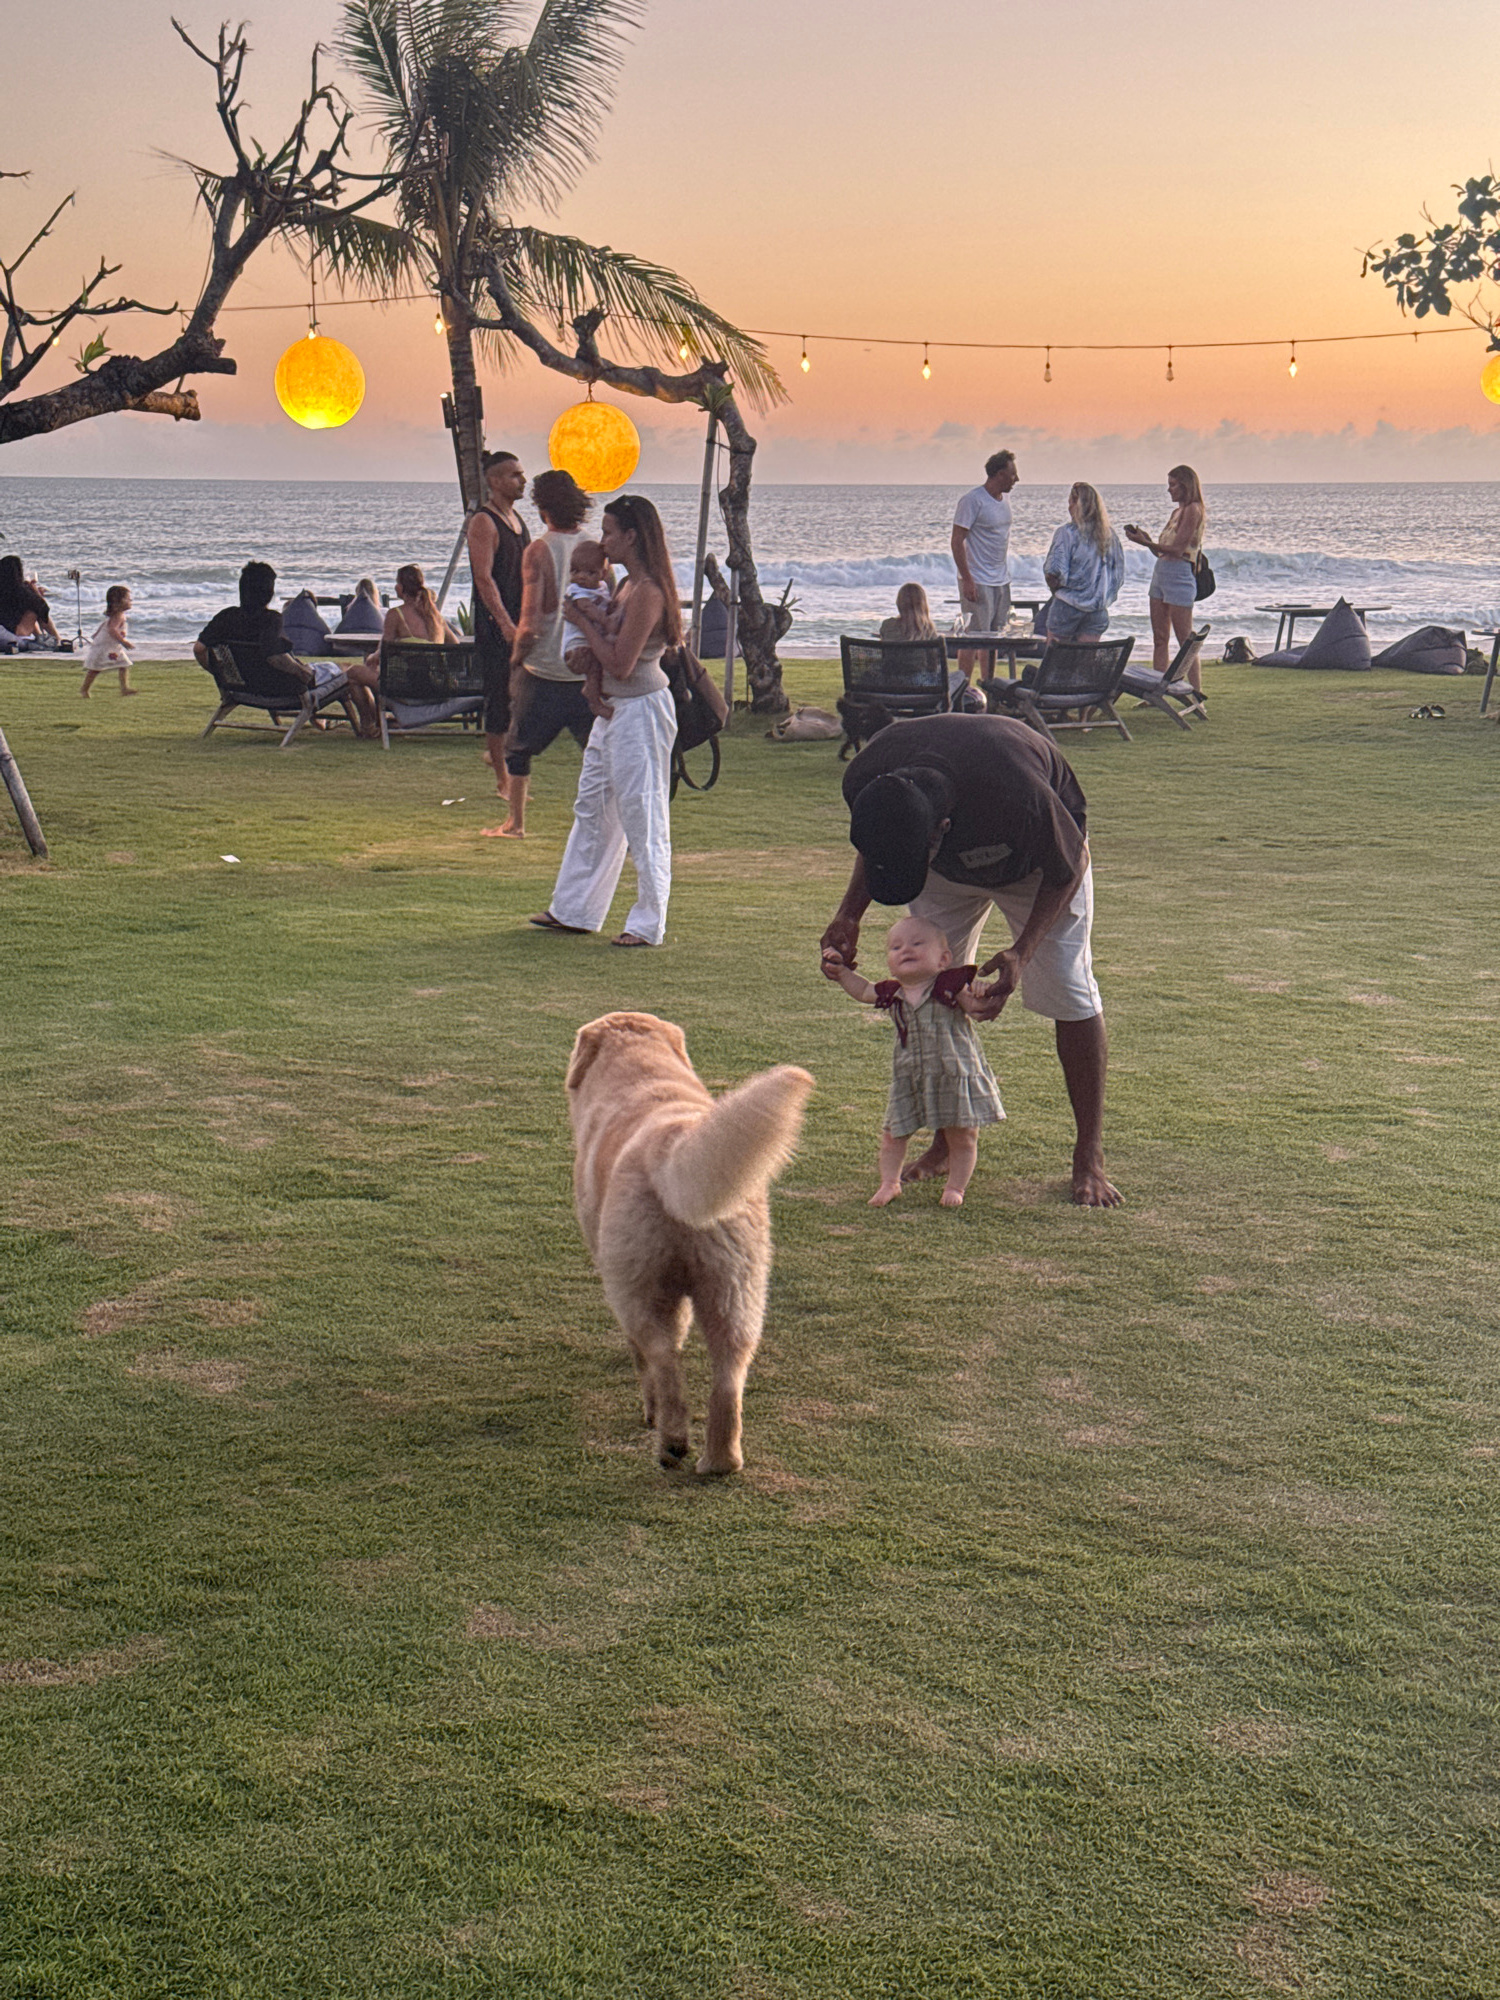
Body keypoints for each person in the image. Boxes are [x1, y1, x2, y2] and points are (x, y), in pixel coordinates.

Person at [819, 712, 1121, 1207]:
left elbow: (1069, 863)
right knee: (933, 993)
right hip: (942, 867)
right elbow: (878, 843)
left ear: (941, 830)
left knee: (1068, 989)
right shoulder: (867, 775)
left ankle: (1089, 1154)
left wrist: (1022, 951)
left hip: (1040, 862)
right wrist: (848, 914)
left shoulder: (1015, 790)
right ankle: (946, 1142)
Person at [529, 493, 681, 949]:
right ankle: (574, 909)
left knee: (642, 813)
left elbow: (620, 662)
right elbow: (604, 655)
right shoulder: (625, 585)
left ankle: (648, 923)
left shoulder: (647, 591)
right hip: (615, 709)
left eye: (610, 532)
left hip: (641, 710)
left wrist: (578, 619)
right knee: (593, 805)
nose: (603, 541)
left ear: (631, 536)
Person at [822, 914, 1003, 1209]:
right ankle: (889, 1183)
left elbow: (976, 1007)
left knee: (962, 1136)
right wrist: (841, 973)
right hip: (910, 1078)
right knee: (893, 1135)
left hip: (952, 1075)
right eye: (896, 947)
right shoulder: (892, 993)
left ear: (944, 959)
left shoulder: (949, 986)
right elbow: (863, 990)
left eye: (917, 944)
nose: (905, 949)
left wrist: (982, 992)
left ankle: (955, 1186)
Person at [492, 470, 600, 840]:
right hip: (584, 670)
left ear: (542, 509)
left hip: (544, 668)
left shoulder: (538, 550)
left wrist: (515, 659)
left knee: (518, 748)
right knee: (598, 750)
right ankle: (608, 825)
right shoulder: (595, 548)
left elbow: (531, 623)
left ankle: (515, 823)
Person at [194, 560, 355, 723]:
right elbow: (274, 656)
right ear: (269, 593)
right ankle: (366, 726)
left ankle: (322, 722)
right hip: (283, 688)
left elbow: (199, 649)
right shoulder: (270, 619)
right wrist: (302, 673)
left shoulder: (225, 617)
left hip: (244, 687)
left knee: (325, 668)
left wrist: (222, 674)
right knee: (348, 670)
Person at [467, 451, 531, 800]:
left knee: (521, 699)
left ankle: (501, 760)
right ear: (494, 481)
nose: (522, 481)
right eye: (514, 475)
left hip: (521, 623)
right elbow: (484, 579)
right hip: (497, 628)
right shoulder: (484, 522)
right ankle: (503, 780)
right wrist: (505, 624)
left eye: (521, 474)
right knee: (500, 699)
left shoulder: (517, 520)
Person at [1125, 465, 1206, 691]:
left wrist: (1146, 542)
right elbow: (1164, 552)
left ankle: (1196, 692)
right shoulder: (1176, 512)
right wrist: (1148, 541)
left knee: (1185, 640)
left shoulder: (1193, 510)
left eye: (1173, 485)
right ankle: (1158, 690)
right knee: (1160, 637)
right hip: (1162, 572)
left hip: (1179, 574)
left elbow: (1179, 550)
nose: (1169, 489)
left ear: (1185, 486)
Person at [951, 450, 1019, 685]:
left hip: (1000, 579)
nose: (1017, 479)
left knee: (995, 637)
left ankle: (989, 688)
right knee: (973, 637)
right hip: (977, 578)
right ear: (999, 474)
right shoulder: (972, 501)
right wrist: (967, 579)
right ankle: (962, 689)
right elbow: (957, 540)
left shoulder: (1005, 500)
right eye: (1013, 474)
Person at [879, 581, 983, 713]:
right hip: (921, 688)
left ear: (899, 603)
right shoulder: (928, 630)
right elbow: (934, 667)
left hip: (890, 684)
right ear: (923, 604)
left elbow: (884, 657)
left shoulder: (887, 625)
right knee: (960, 675)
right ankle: (949, 708)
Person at [1042, 484, 1125, 642]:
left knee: (1057, 655)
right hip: (1097, 609)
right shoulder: (1110, 535)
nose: (1069, 508)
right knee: (1086, 656)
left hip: (1067, 605)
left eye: (1070, 503)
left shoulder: (1067, 533)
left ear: (1076, 504)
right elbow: (1118, 575)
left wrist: (1056, 591)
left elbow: (1054, 572)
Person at [80, 585, 137, 697]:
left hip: (111, 646)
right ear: (119, 601)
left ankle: (124, 688)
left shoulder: (118, 615)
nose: (130, 600)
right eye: (127, 598)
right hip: (106, 646)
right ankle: (84, 689)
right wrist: (124, 642)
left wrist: (96, 634)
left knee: (123, 664)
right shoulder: (119, 616)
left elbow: (105, 625)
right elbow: (112, 629)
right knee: (95, 668)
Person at [0, 556, 64, 648]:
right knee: (35, 608)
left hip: (4, 632)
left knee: (31, 607)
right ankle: (57, 638)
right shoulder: (21, 590)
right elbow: (43, 609)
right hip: (16, 635)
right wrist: (36, 592)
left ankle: (40, 635)